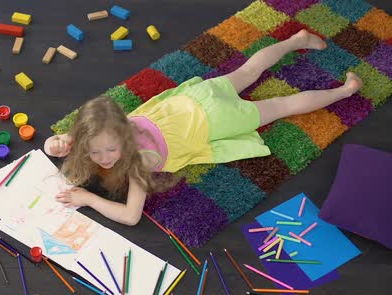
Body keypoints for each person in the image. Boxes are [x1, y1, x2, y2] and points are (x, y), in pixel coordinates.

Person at [43, 29, 363, 226]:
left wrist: (89, 199)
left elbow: (130, 216)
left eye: (110, 150)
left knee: (282, 105)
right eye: (95, 152)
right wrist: (56, 143)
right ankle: (296, 40)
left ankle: (344, 91)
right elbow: (81, 136)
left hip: (218, 119)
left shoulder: (136, 165)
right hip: (196, 98)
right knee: (250, 69)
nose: (105, 158)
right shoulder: (111, 125)